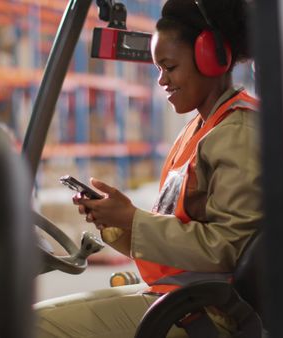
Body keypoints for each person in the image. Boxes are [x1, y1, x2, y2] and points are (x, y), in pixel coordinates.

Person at [35, 0, 261, 336]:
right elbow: (178, 241)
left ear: (211, 58)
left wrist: (132, 218)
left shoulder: (237, 132)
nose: (161, 80)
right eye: (158, 68)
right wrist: (116, 223)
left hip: (210, 313)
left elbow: (229, 248)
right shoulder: (203, 128)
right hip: (185, 297)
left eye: (169, 67)